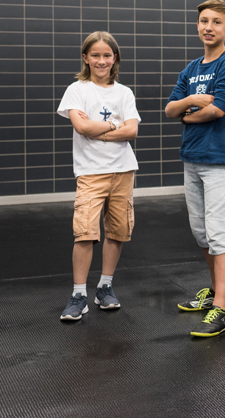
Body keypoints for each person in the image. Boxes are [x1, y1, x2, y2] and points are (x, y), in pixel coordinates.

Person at [165, 0, 225, 337]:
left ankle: (224, 310)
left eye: (216, 21)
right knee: (201, 232)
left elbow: (218, 111)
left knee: (219, 231)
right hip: (192, 158)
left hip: (219, 160)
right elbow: (170, 109)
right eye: (203, 21)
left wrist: (189, 113)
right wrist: (191, 103)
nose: (208, 27)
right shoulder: (192, 68)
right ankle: (216, 291)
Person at [57, 31, 141, 321]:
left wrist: (99, 128)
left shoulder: (124, 93)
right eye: (95, 55)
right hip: (91, 173)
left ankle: (105, 287)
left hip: (123, 171)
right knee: (85, 233)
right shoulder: (77, 89)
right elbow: (82, 128)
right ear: (85, 58)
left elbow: (132, 131)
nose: (101, 60)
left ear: (115, 58)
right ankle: (78, 294)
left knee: (117, 231)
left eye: (107, 55)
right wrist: (114, 125)